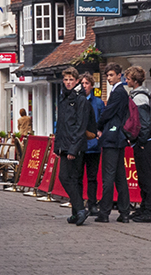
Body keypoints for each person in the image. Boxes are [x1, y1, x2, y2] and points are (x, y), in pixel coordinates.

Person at [53, 67, 93, 226]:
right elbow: (61, 125)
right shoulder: (64, 97)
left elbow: (80, 126)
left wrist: (73, 149)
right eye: (66, 80)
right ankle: (77, 212)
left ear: (77, 81)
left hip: (74, 146)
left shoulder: (80, 99)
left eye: (71, 80)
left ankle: (80, 209)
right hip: (65, 144)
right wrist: (58, 147)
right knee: (71, 179)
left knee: (67, 177)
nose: (68, 82)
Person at [95, 63, 131, 223]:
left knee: (108, 177)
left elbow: (107, 112)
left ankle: (104, 212)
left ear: (119, 75)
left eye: (111, 75)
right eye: (107, 75)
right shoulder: (120, 92)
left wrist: (98, 126)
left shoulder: (118, 92)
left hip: (112, 137)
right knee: (119, 177)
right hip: (118, 138)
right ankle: (124, 212)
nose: (108, 78)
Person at [125, 66, 151, 223]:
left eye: (128, 79)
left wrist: (141, 141)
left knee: (146, 177)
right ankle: (144, 207)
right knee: (143, 176)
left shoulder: (140, 97)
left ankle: (149, 211)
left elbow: (143, 122)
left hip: (144, 142)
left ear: (134, 81)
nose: (126, 81)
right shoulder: (140, 95)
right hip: (143, 141)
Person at [80, 73, 103, 205]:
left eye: (87, 83)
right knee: (77, 176)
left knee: (92, 177)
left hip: (94, 146)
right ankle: (78, 202)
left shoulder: (98, 102)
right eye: (82, 83)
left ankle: (92, 203)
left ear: (92, 86)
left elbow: (102, 121)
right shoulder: (76, 101)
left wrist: (100, 132)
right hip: (80, 144)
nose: (84, 86)